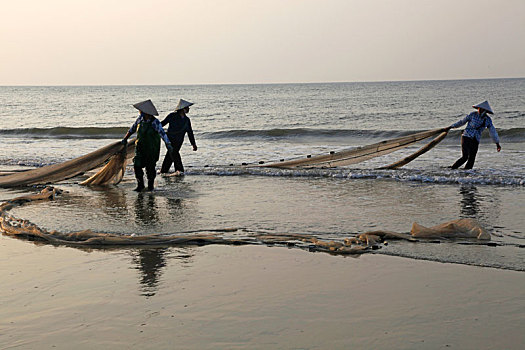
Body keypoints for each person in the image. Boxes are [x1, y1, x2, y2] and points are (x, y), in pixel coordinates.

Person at [121, 100, 173, 191]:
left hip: (151, 149)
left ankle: (150, 186)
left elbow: (162, 133)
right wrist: (125, 138)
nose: (139, 112)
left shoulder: (155, 122)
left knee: (150, 168)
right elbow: (132, 129)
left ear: (146, 112)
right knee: (137, 165)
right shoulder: (139, 120)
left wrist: (168, 144)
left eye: (141, 110)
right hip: (140, 147)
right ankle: (140, 185)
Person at [448, 100, 501, 170]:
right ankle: (453, 169)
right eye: (479, 108)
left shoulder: (487, 120)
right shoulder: (472, 115)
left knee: (472, 158)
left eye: (482, 109)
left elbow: (492, 131)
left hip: (476, 139)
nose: (480, 110)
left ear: (485, 111)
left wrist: (497, 143)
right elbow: (462, 122)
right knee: (465, 157)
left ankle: (467, 173)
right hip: (466, 136)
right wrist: (451, 126)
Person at [159, 99, 198, 175]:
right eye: (187, 107)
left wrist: (193, 144)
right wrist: (154, 126)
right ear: (183, 108)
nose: (188, 109)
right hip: (170, 140)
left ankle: (163, 171)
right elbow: (162, 124)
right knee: (175, 154)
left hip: (179, 141)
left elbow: (190, 132)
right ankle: (180, 171)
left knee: (170, 156)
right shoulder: (172, 116)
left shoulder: (187, 120)